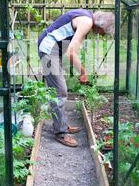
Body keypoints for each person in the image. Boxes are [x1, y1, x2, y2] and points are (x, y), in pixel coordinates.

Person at [38, 9, 115, 147]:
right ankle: (60, 133)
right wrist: (83, 72)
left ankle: (62, 126)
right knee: (59, 91)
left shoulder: (86, 17)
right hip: (49, 48)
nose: (102, 35)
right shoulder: (86, 22)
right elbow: (71, 52)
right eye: (104, 32)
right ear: (101, 26)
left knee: (60, 89)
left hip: (54, 48)